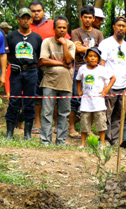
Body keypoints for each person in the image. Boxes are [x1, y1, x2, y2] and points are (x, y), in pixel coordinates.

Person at [29, 0, 70, 134]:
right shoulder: (27, 24)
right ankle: (37, 123)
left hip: (51, 69)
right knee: (37, 96)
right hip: (33, 65)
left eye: (38, 11)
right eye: (33, 11)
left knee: (56, 97)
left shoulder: (54, 24)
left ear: (43, 12)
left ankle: (58, 125)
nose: (36, 14)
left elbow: (67, 40)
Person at [4, 8, 42, 139]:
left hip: (32, 72)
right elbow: (8, 55)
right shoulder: (11, 36)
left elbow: (39, 57)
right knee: (14, 101)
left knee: (29, 102)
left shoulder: (37, 38)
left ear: (31, 20)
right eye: (23, 18)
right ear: (18, 20)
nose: (25, 21)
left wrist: (31, 66)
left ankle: (27, 133)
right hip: (16, 72)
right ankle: (10, 132)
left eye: (28, 18)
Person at [39, 15, 75, 145]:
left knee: (64, 113)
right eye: (59, 27)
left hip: (66, 84)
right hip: (49, 82)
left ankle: (60, 140)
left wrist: (64, 44)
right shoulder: (47, 42)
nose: (62, 30)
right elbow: (44, 60)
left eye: (64, 28)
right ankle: (45, 140)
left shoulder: (70, 44)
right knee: (47, 112)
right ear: (54, 28)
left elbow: (69, 61)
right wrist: (62, 65)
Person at [69, 5, 104, 138]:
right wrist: (93, 49)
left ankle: (88, 129)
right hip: (79, 69)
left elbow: (100, 52)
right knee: (75, 99)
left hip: (95, 71)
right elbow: (76, 49)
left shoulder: (98, 33)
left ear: (93, 18)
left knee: (93, 99)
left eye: (90, 17)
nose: (88, 20)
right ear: (81, 18)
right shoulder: (76, 32)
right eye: (85, 17)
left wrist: (85, 48)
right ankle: (71, 128)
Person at [98, 16, 126, 145]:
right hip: (109, 85)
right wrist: (103, 84)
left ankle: (115, 139)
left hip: (123, 85)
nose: (121, 28)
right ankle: (105, 139)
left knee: (119, 115)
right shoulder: (106, 43)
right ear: (114, 27)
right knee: (106, 113)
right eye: (118, 25)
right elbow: (101, 64)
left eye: (123, 26)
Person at [76, 47, 115, 149]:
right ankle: (83, 143)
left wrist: (106, 90)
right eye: (90, 56)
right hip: (86, 101)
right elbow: (78, 80)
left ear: (98, 59)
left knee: (101, 123)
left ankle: (102, 143)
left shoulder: (102, 70)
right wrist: (79, 91)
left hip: (99, 102)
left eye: (95, 56)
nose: (93, 58)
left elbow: (113, 78)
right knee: (84, 123)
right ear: (86, 58)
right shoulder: (82, 69)